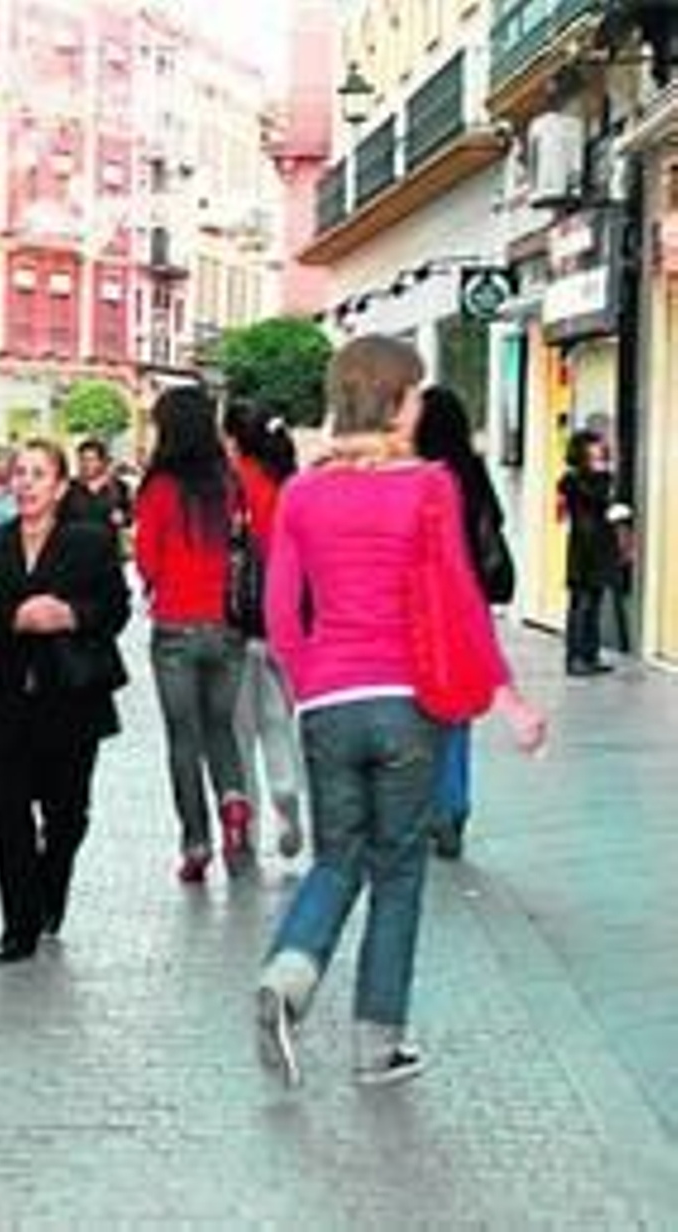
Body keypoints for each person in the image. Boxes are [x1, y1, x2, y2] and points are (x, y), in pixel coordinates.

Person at [255, 336, 546, 1089]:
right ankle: (376, 1044)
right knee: (398, 869)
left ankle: (290, 971)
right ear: (392, 401)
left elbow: (280, 612)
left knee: (336, 855)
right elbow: (458, 594)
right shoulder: (429, 487)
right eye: (414, 393)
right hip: (406, 706)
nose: (421, 407)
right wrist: (505, 695)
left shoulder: (302, 493)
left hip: (328, 703)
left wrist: (310, 679)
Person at [0, 440, 131, 964]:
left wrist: (69, 615)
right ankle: (19, 925)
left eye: (39, 474)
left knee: (67, 814)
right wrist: (16, 619)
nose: (27, 483)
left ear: (59, 487)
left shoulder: (91, 543)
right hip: (5, 698)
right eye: (20, 473)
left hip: (72, 698)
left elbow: (115, 610)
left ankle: (52, 887)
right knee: (7, 812)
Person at [134, 387, 252, 883]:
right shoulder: (230, 482)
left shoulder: (158, 486)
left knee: (184, 737)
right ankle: (233, 799)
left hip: (176, 627)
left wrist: (156, 582)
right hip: (227, 627)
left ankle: (196, 842)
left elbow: (146, 559)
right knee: (220, 727)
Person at [413, 386, 512, 860]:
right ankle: (453, 805)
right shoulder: (470, 471)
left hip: (421, 610)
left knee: (419, 712)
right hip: (467, 609)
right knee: (458, 713)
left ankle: (426, 806)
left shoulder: (415, 476)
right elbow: (497, 521)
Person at [222, 398, 304, 861]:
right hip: (284, 626)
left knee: (239, 731)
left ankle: (246, 829)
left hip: (234, 625)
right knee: (277, 722)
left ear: (234, 440)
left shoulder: (230, 488)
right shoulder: (293, 485)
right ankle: (287, 795)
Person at [557, 428, 620, 676]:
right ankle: (575, 659)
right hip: (583, 548)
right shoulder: (574, 479)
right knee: (581, 604)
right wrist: (602, 473)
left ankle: (590, 656)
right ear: (582, 449)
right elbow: (596, 498)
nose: (599, 448)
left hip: (599, 546)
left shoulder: (599, 476)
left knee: (593, 603)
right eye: (594, 444)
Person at [62, 436, 133, 533]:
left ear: (102, 462)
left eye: (91, 460)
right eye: (82, 459)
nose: (85, 464)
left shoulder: (119, 488)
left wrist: (123, 518)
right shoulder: (68, 487)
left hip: (106, 546)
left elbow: (129, 518)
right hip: (74, 545)